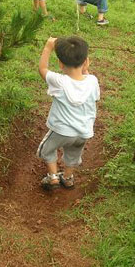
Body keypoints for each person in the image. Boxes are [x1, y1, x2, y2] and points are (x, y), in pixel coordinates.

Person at [36, 36, 100, 190]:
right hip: (83, 132)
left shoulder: (59, 81)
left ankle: (53, 177)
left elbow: (42, 69)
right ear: (86, 61)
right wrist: (85, 70)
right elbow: (93, 93)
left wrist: (48, 48)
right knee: (73, 154)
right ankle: (68, 177)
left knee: (47, 149)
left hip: (61, 131)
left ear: (60, 63)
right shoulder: (93, 81)